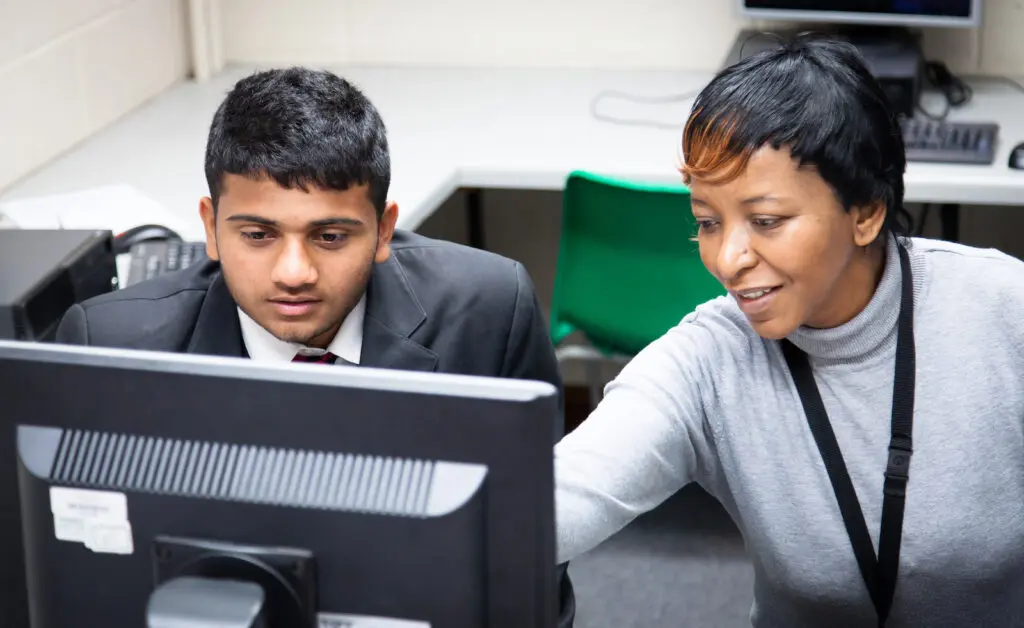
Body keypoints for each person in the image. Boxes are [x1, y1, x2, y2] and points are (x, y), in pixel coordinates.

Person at [55, 67, 575, 626]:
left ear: (382, 230)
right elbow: (85, 569)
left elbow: (535, 564)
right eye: (257, 235)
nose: (293, 273)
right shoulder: (111, 348)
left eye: (330, 237)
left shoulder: (492, 311)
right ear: (210, 227)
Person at [553, 36, 1024, 627]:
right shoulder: (710, 359)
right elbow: (566, 493)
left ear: (866, 213)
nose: (728, 259)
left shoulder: (1004, 311)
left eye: (767, 221)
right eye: (706, 221)